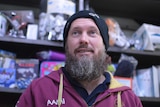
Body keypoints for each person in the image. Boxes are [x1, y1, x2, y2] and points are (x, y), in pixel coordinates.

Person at [15, 10, 143, 107]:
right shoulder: (39, 90)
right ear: (66, 45)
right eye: (76, 33)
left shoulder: (129, 99)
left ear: (104, 45)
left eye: (92, 32)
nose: (83, 40)